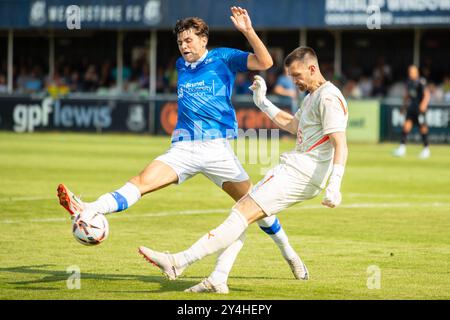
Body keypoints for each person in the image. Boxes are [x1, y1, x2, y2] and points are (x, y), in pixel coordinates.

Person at [57, 7, 306, 294]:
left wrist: (248, 31)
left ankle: (290, 254)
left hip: (217, 151)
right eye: (180, 42)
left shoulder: (223, 57)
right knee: (140, 183)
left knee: (254, 209)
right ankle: (90, 209)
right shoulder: (180, 65)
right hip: (184, 148)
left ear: (203, 40)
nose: (184, 46)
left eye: (189, 40)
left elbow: (265, 61)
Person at [138, 46, 349, 293]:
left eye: (297, 76)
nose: (294, 81)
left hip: (302, 172)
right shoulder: (314, 95)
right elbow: (292, 125)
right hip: (297, 169)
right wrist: (262, 102)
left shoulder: (328, 97)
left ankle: (179, 262)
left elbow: (340, 144)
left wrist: (335, 185)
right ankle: (218, 277)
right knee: (242, 215)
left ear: (313, 69)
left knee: (241, 213)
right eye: (292, 77)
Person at [393, 65, 431, 159]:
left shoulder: (421, 82)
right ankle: (402, 148)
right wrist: (403, 107)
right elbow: (407, 95)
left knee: (422, 127)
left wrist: (424, 105)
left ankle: (426, 149)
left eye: (412, 72)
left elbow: (427, 94)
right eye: (409, 72)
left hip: (419, 109)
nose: (410, 74)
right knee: (406, 127)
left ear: (416, 72)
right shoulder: (408, 82)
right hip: (411, 108)